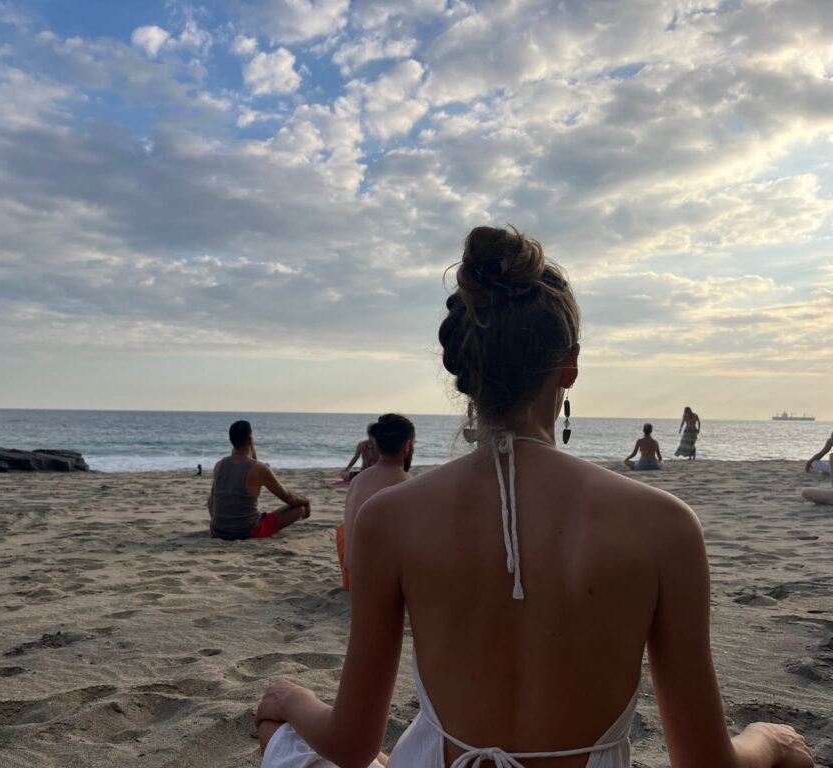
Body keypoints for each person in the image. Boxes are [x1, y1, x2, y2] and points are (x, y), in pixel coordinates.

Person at [255, 226, 812, 768]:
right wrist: (767, 738)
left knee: (282, 725)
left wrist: (291, 700)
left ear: (465, 373)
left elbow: (350, 745)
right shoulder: (665, 526)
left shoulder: (388, 518)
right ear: (569, 366)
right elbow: (706, 761)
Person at [336, 414, 415, 591]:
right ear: (408, 446)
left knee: (344, 529)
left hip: (352, 574)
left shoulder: (357, 480)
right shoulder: (406, 483)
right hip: (380, 579)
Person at [208, 420, 310, 540]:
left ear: (231, 441)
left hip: (217, 531)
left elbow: (212, 500)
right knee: (299, 508)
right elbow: (289, 498)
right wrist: (307, 502)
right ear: (250, 440)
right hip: (248, 531)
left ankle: (222, 524)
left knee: (213, 498)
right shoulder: (259, 468)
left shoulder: (219, 465)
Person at [802, 431, 833, 506]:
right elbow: (821, 454)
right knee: (814, 462)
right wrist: (809, 462)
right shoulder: (830, 441)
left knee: (805, 492)